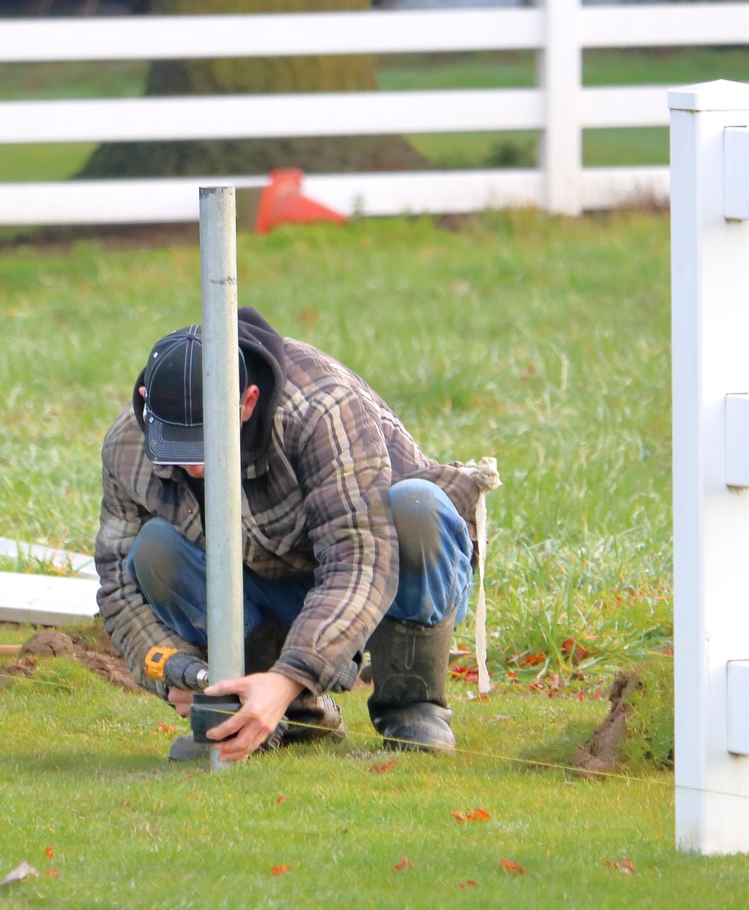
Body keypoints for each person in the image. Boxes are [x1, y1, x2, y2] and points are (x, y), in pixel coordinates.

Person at [95, 308, 499, 764]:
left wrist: (289, 676)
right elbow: (117, 584)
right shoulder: (126, 445)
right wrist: (174, 668)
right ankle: (290, 717)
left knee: (415, 507)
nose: (193, 466)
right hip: (270, 576)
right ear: (148, 402)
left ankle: (411, 706)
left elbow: (360, 559)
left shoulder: (322, 409)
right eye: (176, 443)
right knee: (154, 550)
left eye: (208, 442)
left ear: (246, 402)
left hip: (388, 576)